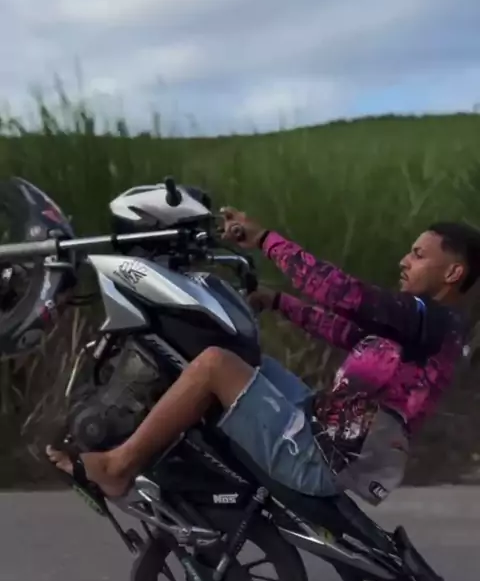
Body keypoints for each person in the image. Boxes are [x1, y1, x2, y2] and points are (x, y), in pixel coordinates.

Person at [46, 210, 480, 506]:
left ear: (453, 272)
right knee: (242, 354)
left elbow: (345, 295)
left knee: (215, 364)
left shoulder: (433, 321)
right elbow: (346, 332)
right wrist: (277, 301)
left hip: (328, 455)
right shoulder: (428, 329)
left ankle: (118, 465)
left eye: (418, 255)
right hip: (329, 426)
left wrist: (263, 240)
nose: (404, 261)